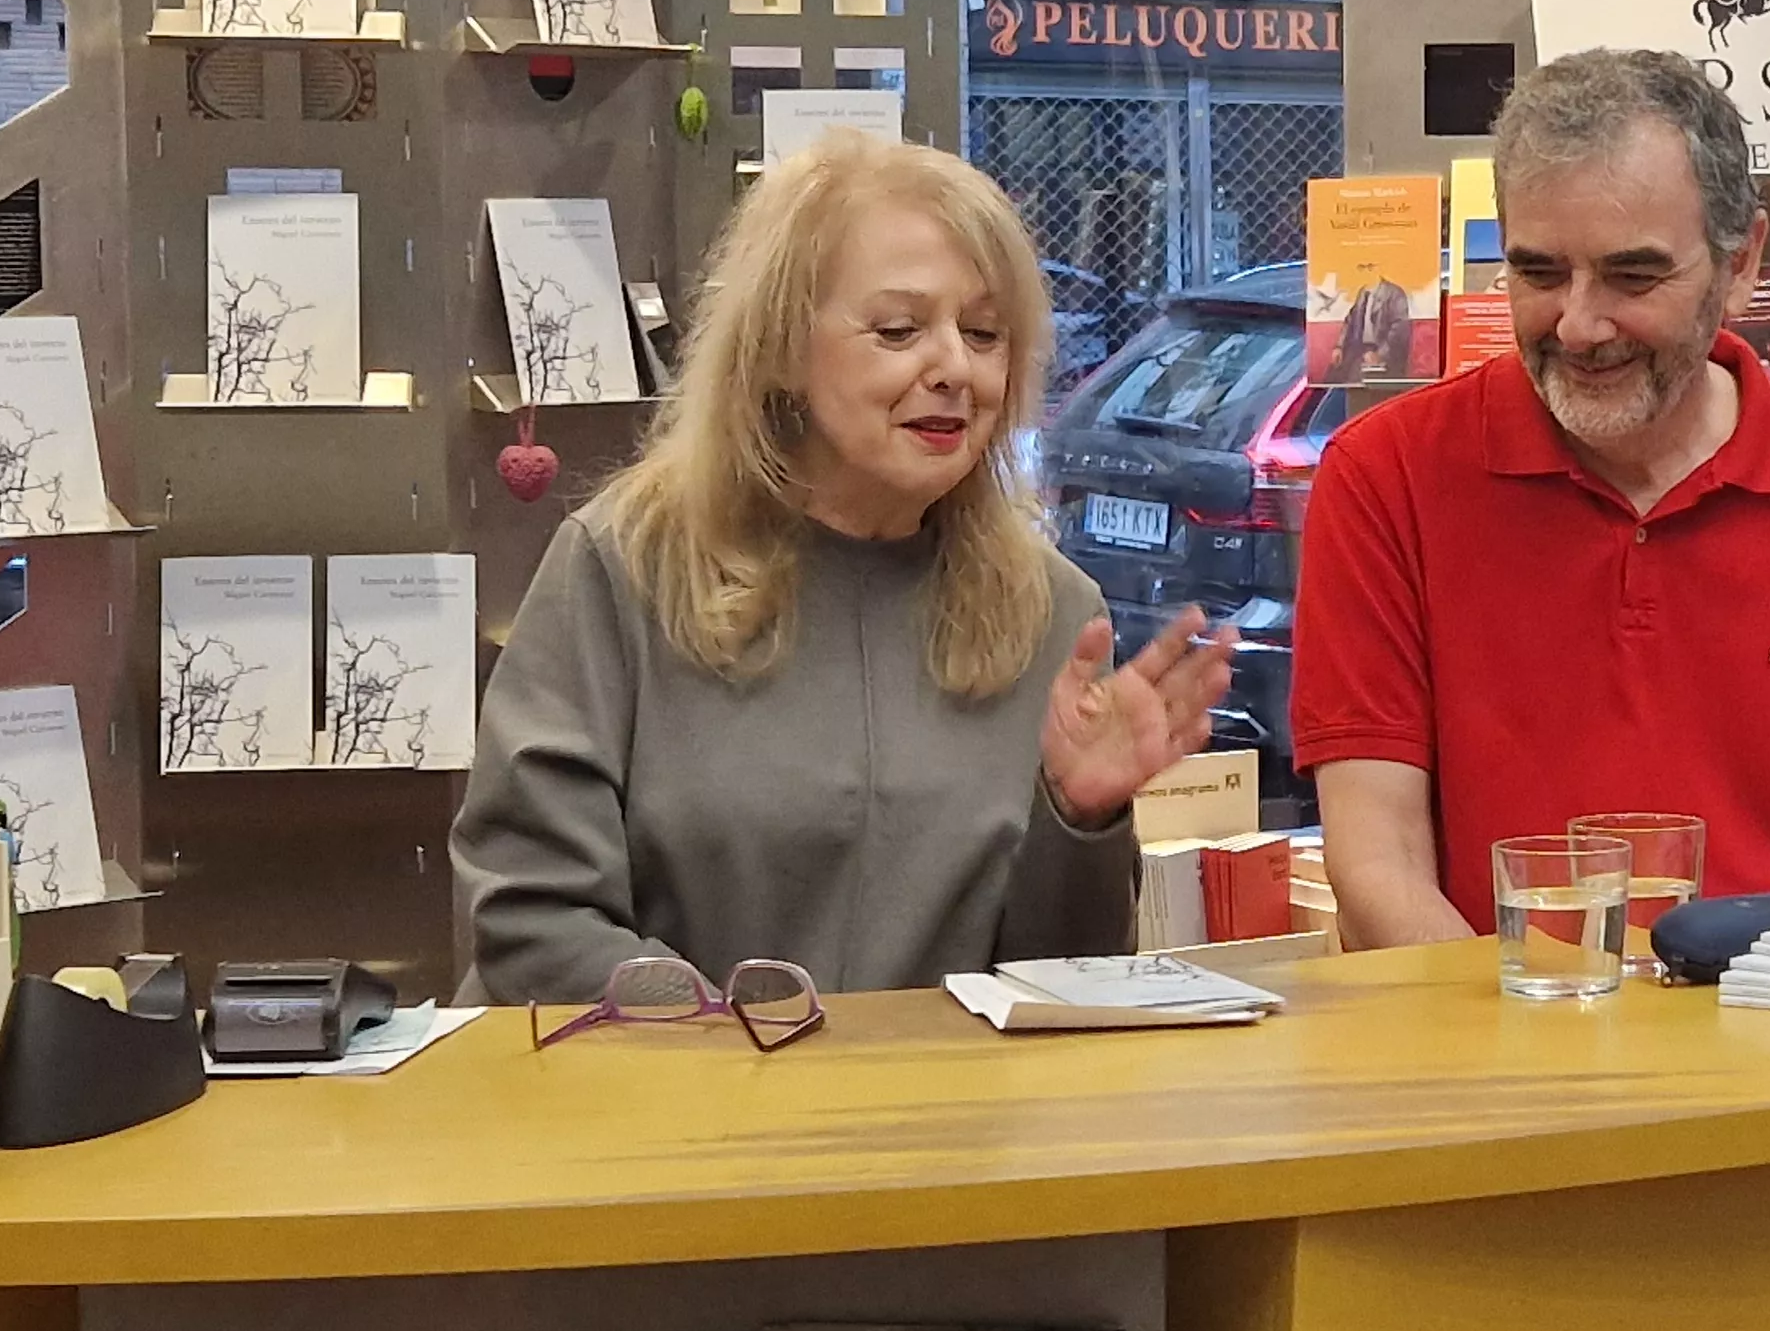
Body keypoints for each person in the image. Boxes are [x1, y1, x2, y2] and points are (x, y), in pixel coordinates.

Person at [457, 134, 1238, 1004]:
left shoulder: (1055, 612)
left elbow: (1054, 991)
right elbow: (532, 915)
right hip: (663, 1111)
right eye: (900, 330)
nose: (954, 369)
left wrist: (1080, 821)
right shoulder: (624, 566)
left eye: (983, 334)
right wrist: (743, 1050)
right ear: (785, 347)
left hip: (938, 1128)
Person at [1294, 48, 1770, 946]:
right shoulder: (1385, 479)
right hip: (1488, 1055)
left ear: (1742, 261)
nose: (1579, 325)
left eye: (1633, 278)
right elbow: (1378, 868)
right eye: (1539, 274)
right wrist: (1536, 1067)